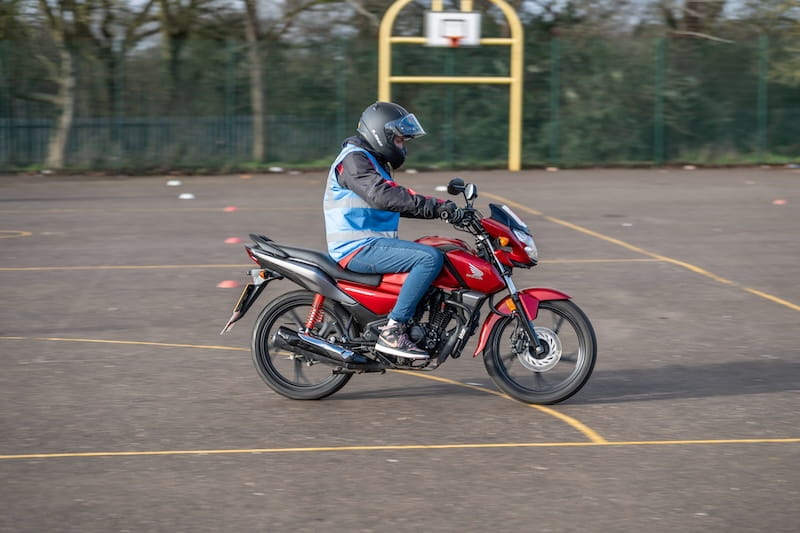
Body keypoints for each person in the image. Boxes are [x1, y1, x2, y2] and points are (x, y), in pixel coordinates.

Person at [323, 101, 460, 360]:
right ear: (379, 133)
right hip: (357, 248)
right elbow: (382, 196)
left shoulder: (371, 160)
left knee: (435, 248)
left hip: (370, 244)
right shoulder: (354, 161)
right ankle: (394, 331)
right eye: (399, 139)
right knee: (428, 258)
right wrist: (435, 207)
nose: (402, 145)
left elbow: (396, 202)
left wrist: (443, 210)